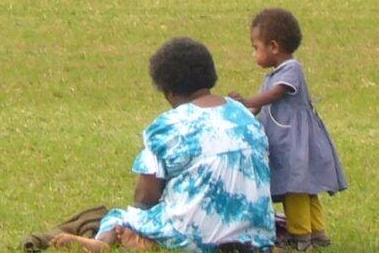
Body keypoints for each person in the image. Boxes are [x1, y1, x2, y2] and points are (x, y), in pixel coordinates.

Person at [50, 37, 276, 252]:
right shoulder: (244, 115)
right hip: (255, 237)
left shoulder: (168, 126)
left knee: (121, 216)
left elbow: (145, 197)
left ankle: (107, 241)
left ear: (169, 92)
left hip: (193, 237)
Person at [231, 9, 347, 251]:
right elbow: (263, 107)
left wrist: (249, 100)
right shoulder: (275, 74)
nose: (254, 54)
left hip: (295, 143)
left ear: (273, 46)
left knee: (295, 189)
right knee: (305, 190)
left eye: (255, 47)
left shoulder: (291, 69)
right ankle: (317, 232)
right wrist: (241, 112)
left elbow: (275, 95)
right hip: (287, 141)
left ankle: (300, 235)